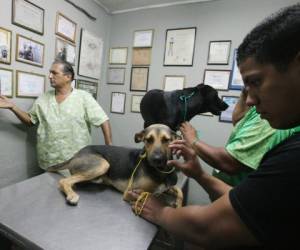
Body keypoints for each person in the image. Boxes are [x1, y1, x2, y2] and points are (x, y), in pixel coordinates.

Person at [129, 4, 300, 249]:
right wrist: (199, 174)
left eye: (257, 81)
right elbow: (241, 201)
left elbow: (207, 226)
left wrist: (161, 212)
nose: (249, 99)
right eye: (246, 88)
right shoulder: (278, 124)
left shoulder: (294, 155)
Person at [0, 59, 112, 171]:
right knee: (50, 187)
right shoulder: (43, 98)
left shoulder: (84, 97)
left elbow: (103, 120)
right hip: (49, 160)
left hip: (77, 161)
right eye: (50, 72)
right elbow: (30, 121)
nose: (49, 76)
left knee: (72, 187)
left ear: (68, 77)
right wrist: (13, 107)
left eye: (54, 73)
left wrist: (109, 148)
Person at [180, 88, 300, 187]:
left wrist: (193, 140)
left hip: (240, 199)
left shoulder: (270, 121)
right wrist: (245, 92)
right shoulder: (259, 106)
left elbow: (229, 163)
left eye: (254, 81)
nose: (248, 101)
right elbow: (238, 120)